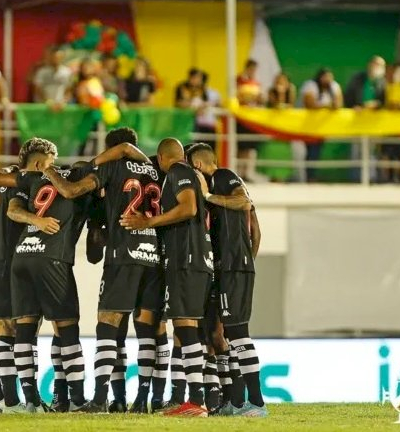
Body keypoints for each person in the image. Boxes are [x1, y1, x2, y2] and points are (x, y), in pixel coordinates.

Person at [0, 140, 147, 412]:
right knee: (67, 329)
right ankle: (77, 399)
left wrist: (35, 218)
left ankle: (32, 402)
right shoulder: (84, 186)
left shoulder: (34, 178)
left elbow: (4, 195)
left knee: (25, 329)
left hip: (21, 257)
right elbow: (96, 241)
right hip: (52, 259)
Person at [42, 128, 162, 414]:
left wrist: (50, 172)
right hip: (155, 256)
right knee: (148, 330)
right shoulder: (157, 171)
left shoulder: (111, 166)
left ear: (111, 148)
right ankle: (142, 401)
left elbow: (72, 190)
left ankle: (100, 399)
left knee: (108, 325)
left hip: (124, 254)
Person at [121, 138, 214, 418]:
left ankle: (196, 401)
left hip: (186, 259)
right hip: (194, 260)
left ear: (162, 158)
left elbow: (188, 209)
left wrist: (147, 222)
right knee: (187, 328)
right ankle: (193, 399)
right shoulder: (187, 175)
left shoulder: (178, 172)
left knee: (185, 327)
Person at [0, 139, 61, 414]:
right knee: (9, 330)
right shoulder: (25, 181)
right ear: (39, 163)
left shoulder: (1, 181)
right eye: (50, 165)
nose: (51, 171)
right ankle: (11, 401)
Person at [186, 143, 267, 418]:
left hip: (233, 268)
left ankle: (256, 403)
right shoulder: (219, 186)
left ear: (197, 166)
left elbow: (244, 202)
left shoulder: (222, 177)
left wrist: (208, 195)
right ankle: (235, 401)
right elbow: (257, 231)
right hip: (231, 268)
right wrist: (246, 260)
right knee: (230, 335)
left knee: (239, 333)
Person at [300, 68, 343, 182]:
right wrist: (327, 106)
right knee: (310, 152)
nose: (327, 80)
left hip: (324, 126)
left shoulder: (333, 87)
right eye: (325, 77)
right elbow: (310, 104)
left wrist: (327, 105)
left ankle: (311, 176)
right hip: (306, 126)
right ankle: (308, 177)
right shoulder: (310, 85)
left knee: (316, 152)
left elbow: (338, 104)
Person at [236, 60, 263, 181]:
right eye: (251, 69)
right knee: (241, 147)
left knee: (250, 147)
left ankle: (247, 173)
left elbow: (259, 100)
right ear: (246, 68)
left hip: (252, 118)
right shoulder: (238, 81)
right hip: (242, 118)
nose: (253, 72)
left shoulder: (257, 83)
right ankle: (239, 172)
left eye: (254, 70)